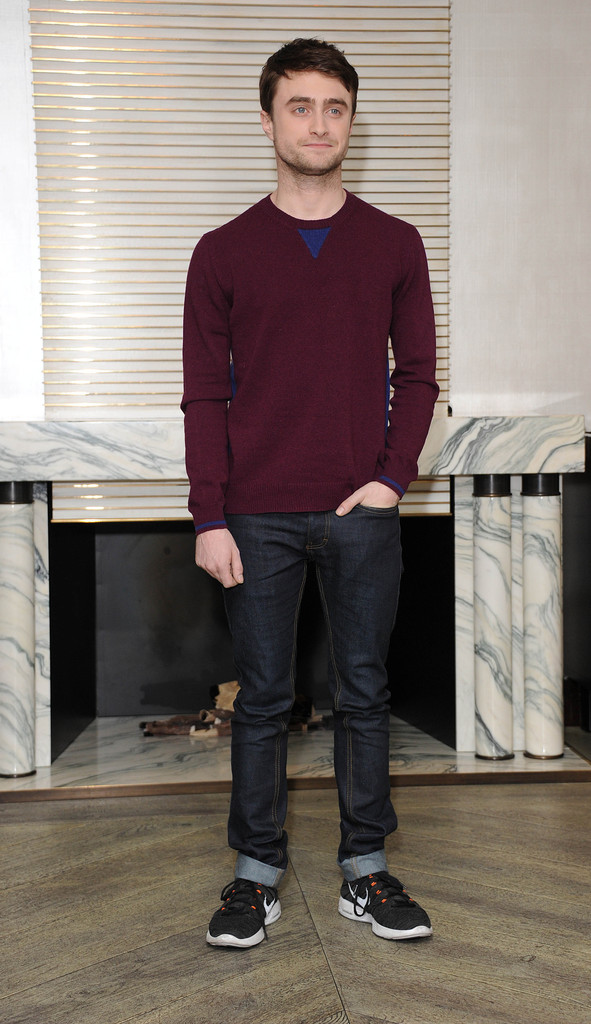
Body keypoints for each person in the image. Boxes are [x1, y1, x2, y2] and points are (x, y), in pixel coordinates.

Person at [182, 38, 439, 949]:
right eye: (300, 106)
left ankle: (365, 870)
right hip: (253, 515)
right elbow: (203, 394)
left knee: (364, 692)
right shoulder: (222, 251)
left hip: (359, 511)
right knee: (261, 699)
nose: (318, 124)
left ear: (350, 122)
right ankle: (254, 877)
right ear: (268, 121)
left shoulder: (395, 243)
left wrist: (391, 479)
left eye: (334, 108)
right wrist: (209, 515)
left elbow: (417, 376)